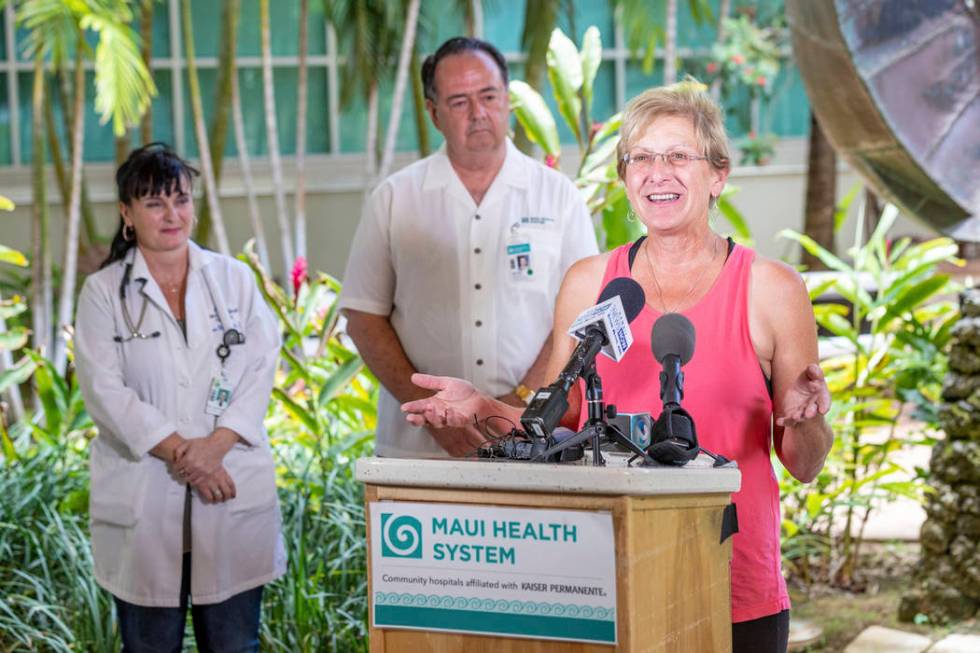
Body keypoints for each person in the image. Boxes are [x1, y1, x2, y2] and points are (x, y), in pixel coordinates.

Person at [400, 82, 833, 653]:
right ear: (625, 179)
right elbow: (553, 433)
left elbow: (804, 465)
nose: (659, 173)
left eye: (679, 156)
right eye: (642, 159)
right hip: (606, 579)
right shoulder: (589, 284)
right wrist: (484, 407)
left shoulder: (772, 290)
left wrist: (804, 422)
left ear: (718, 176)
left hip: (733, 584)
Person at [338, 36, 598, 459]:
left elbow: (580, 315)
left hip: (530, 440)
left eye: (489, 96)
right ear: (433, 112)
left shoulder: (558, 197)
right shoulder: (395, 198)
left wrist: (518, 402)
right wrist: (435, 417)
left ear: (507, 100)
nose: (478, 114)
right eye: (459, 102)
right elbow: (364, 317)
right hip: (417, 449)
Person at [74, 143, 285, 652]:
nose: (172, 214)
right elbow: (106, 391)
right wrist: (187, 456)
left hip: (229, 489)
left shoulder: (233, 279)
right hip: (146, 498)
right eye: (154, 203)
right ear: (127, 213)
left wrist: (215, 448)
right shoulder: (104, 293)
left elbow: (259, 367)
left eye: (181, 200)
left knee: (235, 646)